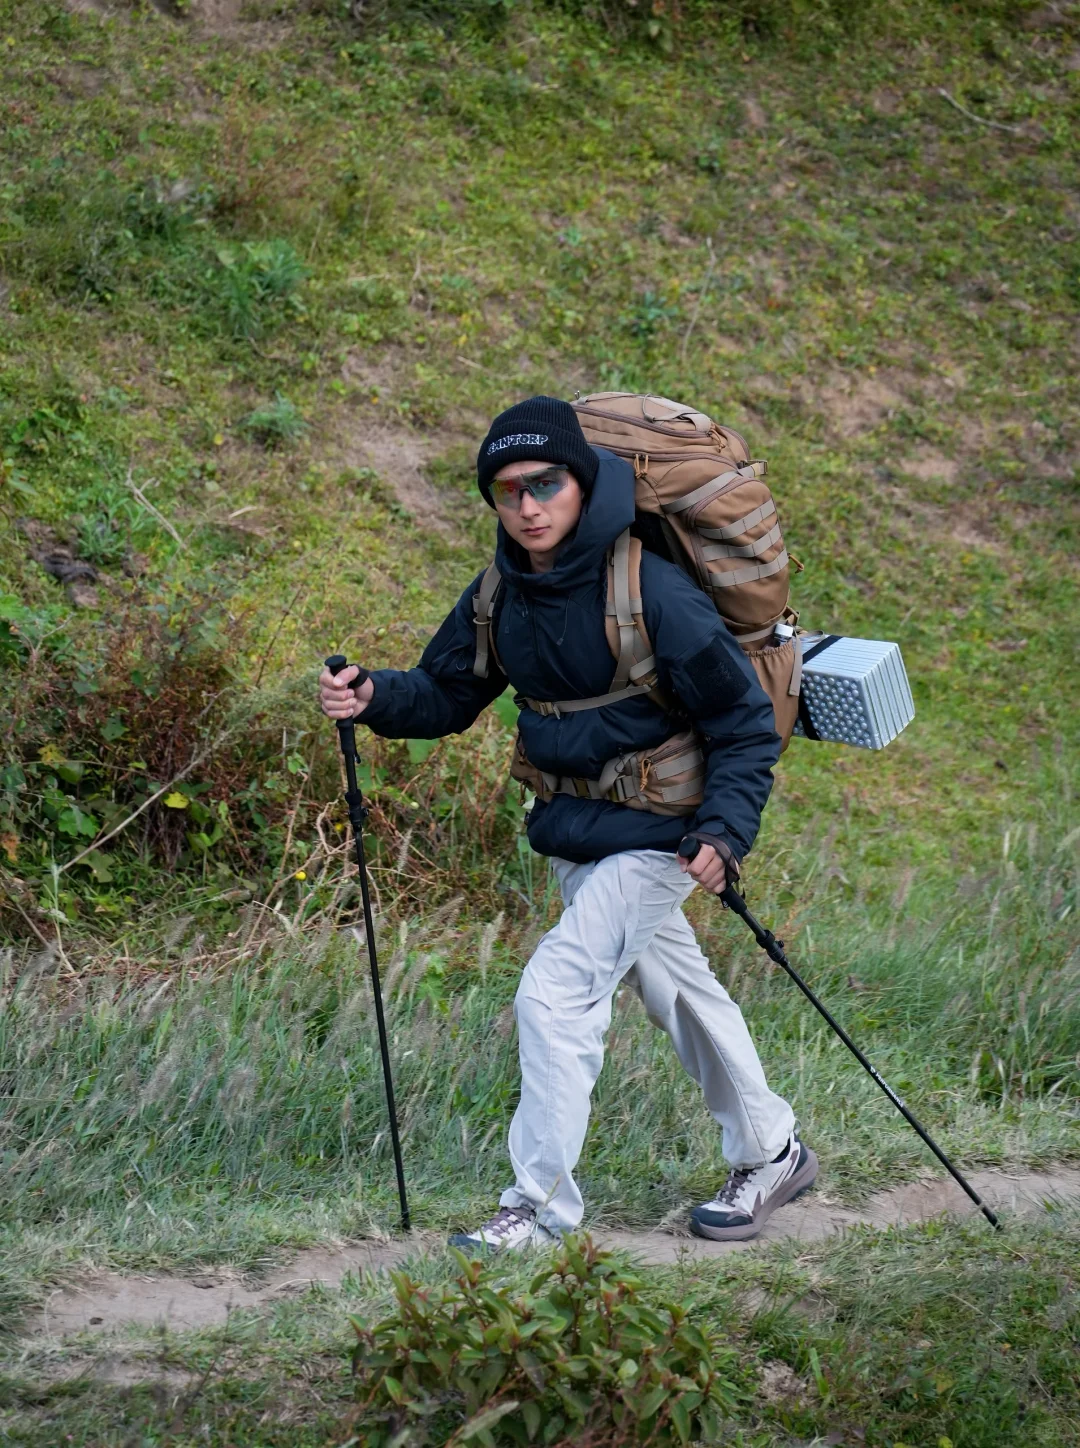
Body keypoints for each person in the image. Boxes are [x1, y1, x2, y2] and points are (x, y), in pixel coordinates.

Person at [319, 395, 817, 1250]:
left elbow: (741, 722)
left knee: (553, 996)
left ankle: (538, 1211)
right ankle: (774, 1150)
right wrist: (373, 696)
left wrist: (724, 835)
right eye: (507, 490)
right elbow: (448, 694)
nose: (527, 505)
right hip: (577, 829)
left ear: (583, 485)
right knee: (678, 992)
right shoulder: (500, 592)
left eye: (545, 483)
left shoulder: (651, 588)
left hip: (663, 831)